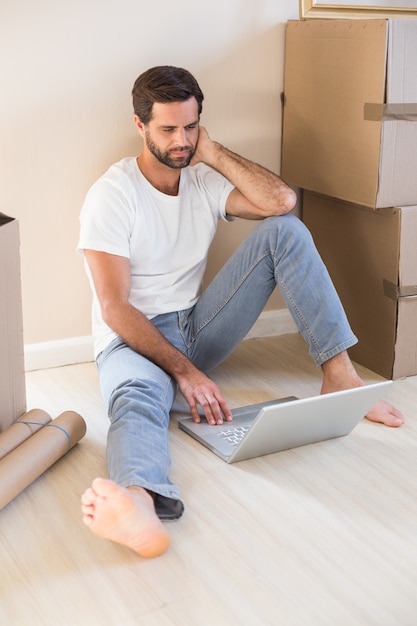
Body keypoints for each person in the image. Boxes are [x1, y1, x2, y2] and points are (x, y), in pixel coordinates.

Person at [78, 66, 404, 559]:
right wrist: (186, 373)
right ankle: (139, 501)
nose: (181, 140)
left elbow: (282, 202)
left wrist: (210, 152)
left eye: (191, 127)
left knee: (286, 232)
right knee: (138, 396)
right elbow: (114, 308)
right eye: (168, 129)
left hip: (195, 324)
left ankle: (340, 376)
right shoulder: (113, 194)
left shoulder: (204, 179)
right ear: (140, 126)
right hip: (132, 337)